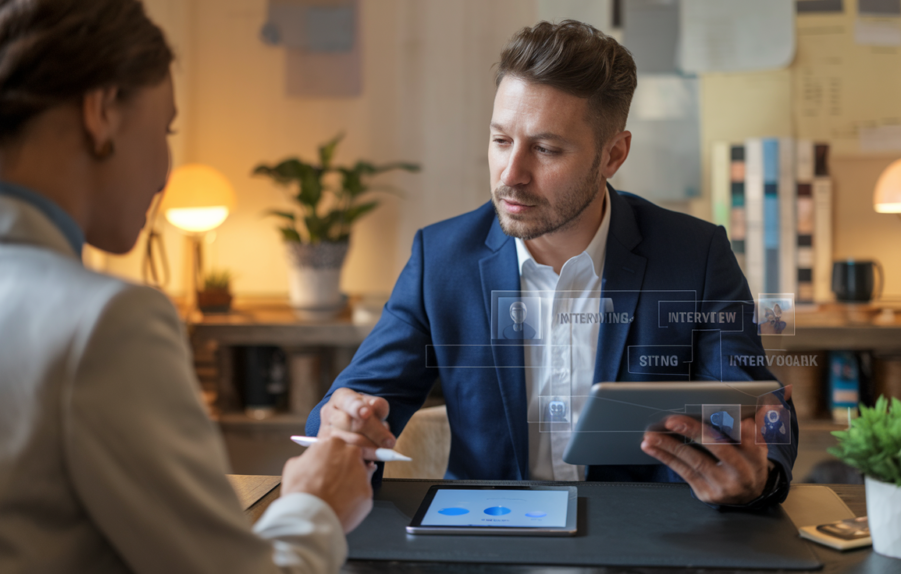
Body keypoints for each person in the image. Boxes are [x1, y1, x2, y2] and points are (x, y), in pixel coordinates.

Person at [0, 1, 372, 572]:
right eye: (165, 129)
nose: (164, 173)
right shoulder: (103, 324)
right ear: (103, 110)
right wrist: (316, 504)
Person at [307, 20, 797, 508]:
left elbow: (758, 408)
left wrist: (761, 472)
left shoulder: (696, 254)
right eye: (501, 141)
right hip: (488, 539)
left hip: (645, 539)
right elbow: (352, 402)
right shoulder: (441, 259)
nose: (511, 175)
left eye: (545, 149)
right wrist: (344, 418)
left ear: (613, 155)